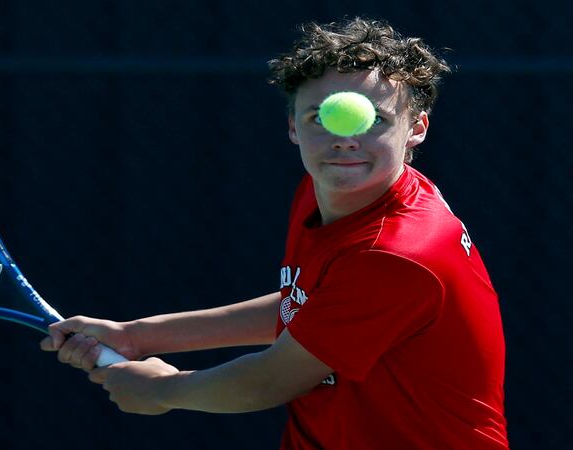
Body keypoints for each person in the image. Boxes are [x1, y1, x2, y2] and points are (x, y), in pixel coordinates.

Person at [40, 17, 508, 449]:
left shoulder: (394, 253)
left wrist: (163, 389)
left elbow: (272, 379)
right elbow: (312, 307)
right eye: (320, 117)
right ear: (293, 127)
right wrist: (138, 336)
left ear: (416, 128)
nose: (344, 139)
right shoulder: (331, 191)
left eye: (374, 121)